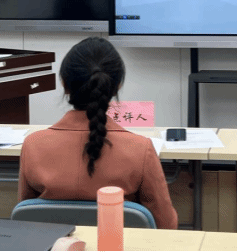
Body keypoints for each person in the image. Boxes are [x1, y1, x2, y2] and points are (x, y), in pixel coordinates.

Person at [18, 36, 178, 230]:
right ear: (117, 86)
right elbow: (166, 225)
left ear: (64, 84)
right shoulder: (141, 149)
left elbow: (25, 219)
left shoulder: (33, 145)